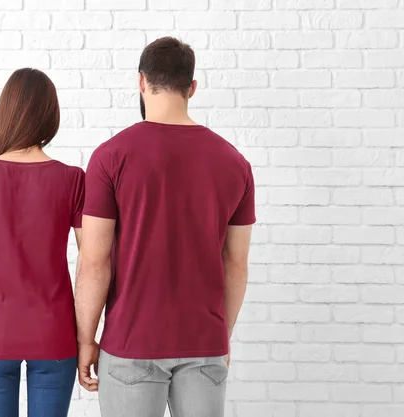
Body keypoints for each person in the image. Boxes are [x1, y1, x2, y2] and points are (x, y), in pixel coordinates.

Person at [75, 37, 256, 417]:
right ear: (192, 87)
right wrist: (221, 335)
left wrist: (86, 338)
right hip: (204, 341)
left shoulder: (110, 157)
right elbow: (235, 263)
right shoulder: (235, 163)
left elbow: (94, 261)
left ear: (141, 82)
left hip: (130, 342)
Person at [0, 68, 84, 417]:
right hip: (54, 334)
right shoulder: (72, 180)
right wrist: (87, 335)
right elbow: (93, 263)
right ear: (50, 116)